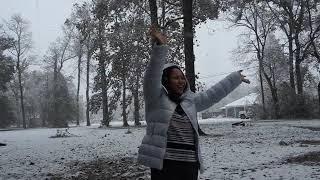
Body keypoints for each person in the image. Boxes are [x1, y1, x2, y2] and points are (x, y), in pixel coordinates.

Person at [137, 26, 250, 180]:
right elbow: (152, 75)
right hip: (165, 164)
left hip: (189, 164)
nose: (181, 81)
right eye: (175, 78)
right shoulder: (156, 98)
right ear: (165, 80)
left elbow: (212, 95)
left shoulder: (190, 101)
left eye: (182, 78)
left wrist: (234, 79)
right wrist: (160, 48)